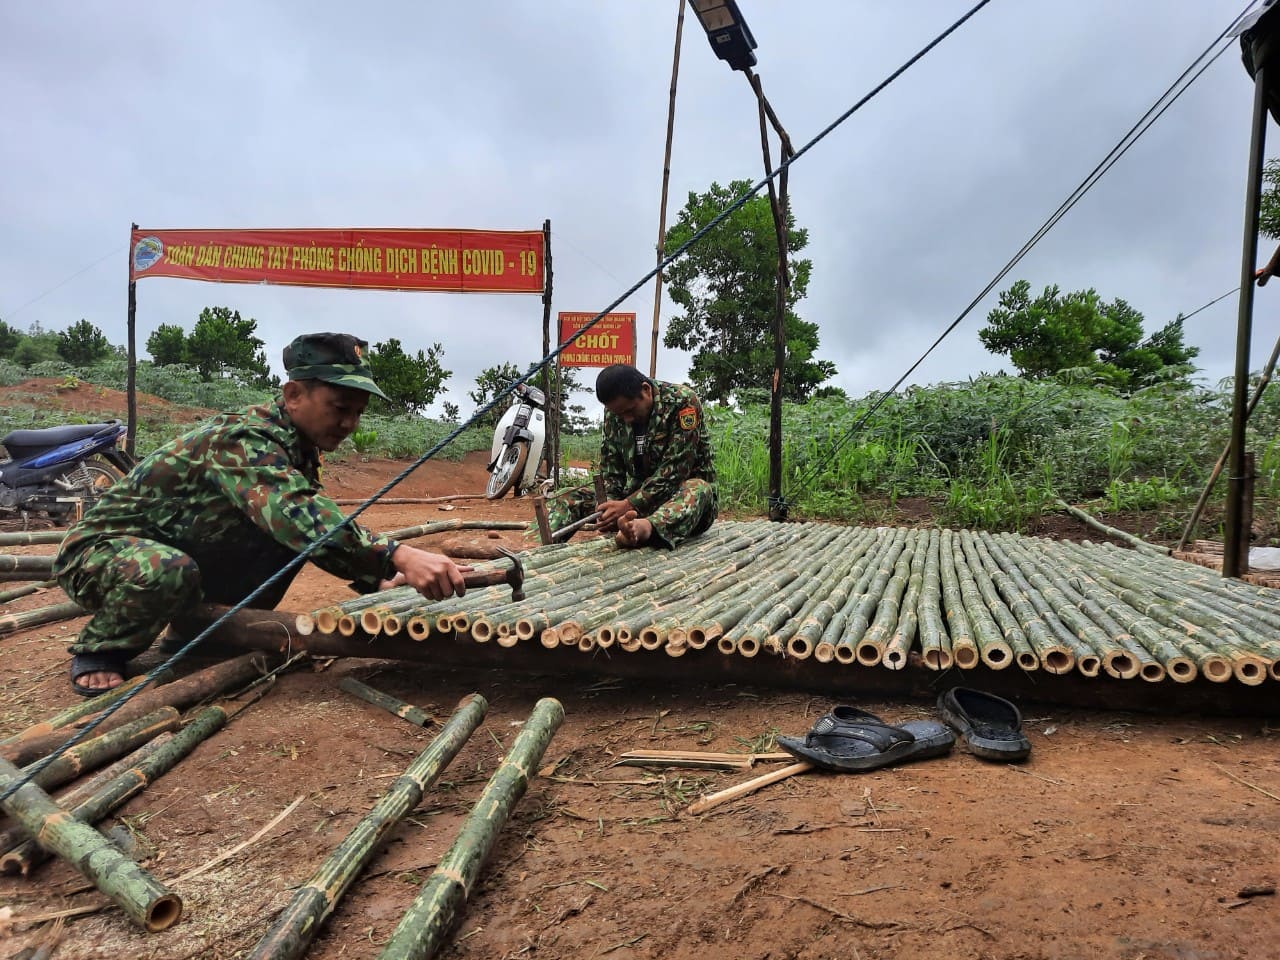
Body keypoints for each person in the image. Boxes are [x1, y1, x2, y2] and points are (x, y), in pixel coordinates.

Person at [54, 332, 469, 696]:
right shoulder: (245, 439)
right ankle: (103, 648)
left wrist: (375, 577)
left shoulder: (298, 448)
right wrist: (398, 555)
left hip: (182, 544)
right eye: (340, 407)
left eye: (357, 413)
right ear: (293, 395)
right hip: (100, 554)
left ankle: (201, 633)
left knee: (281, 540)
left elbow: (306, 526)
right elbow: (298, 515)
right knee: (168, 569)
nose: (349, 423)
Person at [546, 364, 717, 549]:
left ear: (646, 390)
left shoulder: (683, 402)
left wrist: (628, 505)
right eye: (619, 414)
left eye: (630, 411)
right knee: (569, 497)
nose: (626, 419)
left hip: (682, 504)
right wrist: (608, 508)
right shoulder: (615, 412)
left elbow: (675, 471)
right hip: (636, 501)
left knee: (698, 488)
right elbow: (611, 470)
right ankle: (541, 550)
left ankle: (644, 528)